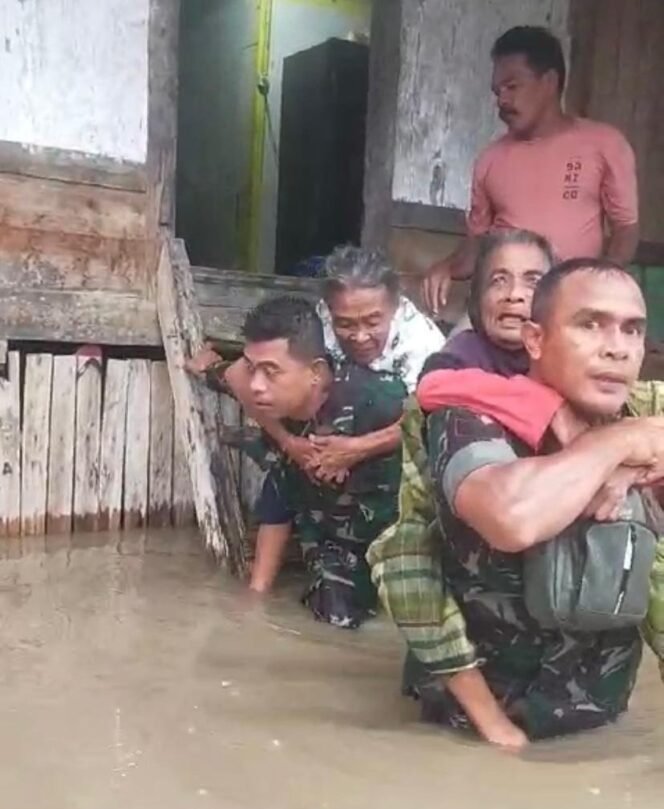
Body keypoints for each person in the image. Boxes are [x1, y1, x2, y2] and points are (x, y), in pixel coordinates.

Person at [368, 240, 664, 748]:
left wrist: (636, 450)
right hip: (471, 719)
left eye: (632, 329)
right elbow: (512, 517)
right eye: (590, 324)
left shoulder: (643, 406)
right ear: (534, 339)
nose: (616, 347)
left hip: (595, 712)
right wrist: (616, 445)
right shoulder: (470, 419)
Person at [187, 246, 444, 595]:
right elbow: (252, 377)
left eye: (373, 321)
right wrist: (289, 443)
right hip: (323, 418)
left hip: (394, 434)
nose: (359, 336)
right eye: (346, 323)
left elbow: (428, 418)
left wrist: (353, 450)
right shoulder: (321, 323)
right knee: (284, 453)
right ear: (330, 311)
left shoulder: (423, 347)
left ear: (395, 306)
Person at [199, 295, 407, 628]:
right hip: (331, 542)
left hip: (396, 541)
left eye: (270, 372)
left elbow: (430, 428)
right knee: (334, 615)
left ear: (316, 373)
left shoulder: (377, 402)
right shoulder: (278, 411)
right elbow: (279, 493)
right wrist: (256, 595)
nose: (256, 386)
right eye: (253, 369)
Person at [423, 25, 639, 317]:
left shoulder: (604, 143)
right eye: (497, 91)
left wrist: (597, 285)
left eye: (512, 87)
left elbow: (625, 229)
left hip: (570, 305)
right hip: (503, 306)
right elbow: (476, 247)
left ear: (549, 82)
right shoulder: (490, 159)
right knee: (452, 356)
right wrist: (445, 267)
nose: (502, 100)